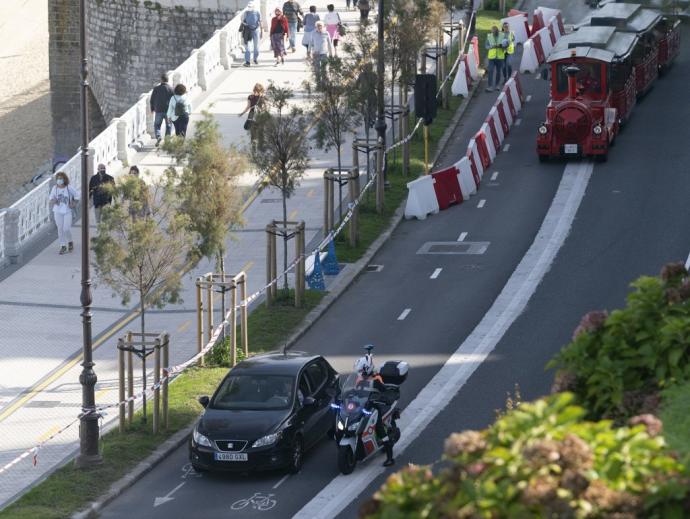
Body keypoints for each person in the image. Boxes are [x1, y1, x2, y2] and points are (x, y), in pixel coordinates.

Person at [353, 347, 394, 467]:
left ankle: (390, 458)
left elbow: (384, 391)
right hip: (363, 407)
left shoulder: (376, 380)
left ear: (366, 370)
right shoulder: (360, 380)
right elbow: (356, 391)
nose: (359, 373)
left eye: (361, 371)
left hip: (375, 408)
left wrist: (380, 397)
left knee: (380, 430)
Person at [49, 171, 80, 255]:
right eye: (58, 179)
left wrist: (74, 203)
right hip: (57, 211)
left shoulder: (68, 188)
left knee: (66, 228)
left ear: (64, 179)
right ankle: (63, 245)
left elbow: (77, 195)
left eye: (61, 179)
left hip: (67, 211)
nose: (59, 180)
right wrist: (54, 201)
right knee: (60, 228)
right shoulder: (54, 188)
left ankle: (70, 241)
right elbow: (51, 198)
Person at [150, 74, 174, 146]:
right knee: (169, 125)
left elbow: (152, 99)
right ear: (167, 80)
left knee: (157, 125)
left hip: (159, 110)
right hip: (168, 111)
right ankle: (167, 141)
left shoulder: (156, 88)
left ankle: (158, 136)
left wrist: (152, 109)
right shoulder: (171, 89)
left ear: (161, 80)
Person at [308, 21, 334, 88]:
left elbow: (330, 44)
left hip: (324, 54)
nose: (319, 28)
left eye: (320, 26)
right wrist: (309, 52)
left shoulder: (326, 33)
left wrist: (331, 54)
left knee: (324, 70)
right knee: (317, 70)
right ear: (316, 27)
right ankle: (318, 84)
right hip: (316, 54)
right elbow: (310, 43)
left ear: (323, 27)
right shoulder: (313, 33)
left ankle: (325, 84)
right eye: (318, 26)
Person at [485, 25, 505, 92]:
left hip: (500, 57)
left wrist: (501, 46)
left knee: (498, 72)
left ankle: (497, 85)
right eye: (492, 32)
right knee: (490, 71)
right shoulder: (489, 36)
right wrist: (491, 47)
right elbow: (486, 46)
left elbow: (506, 45)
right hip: (492, 57)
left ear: (497, 31)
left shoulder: (502, 36)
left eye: (495, 32)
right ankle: (490, 86)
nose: (493, 33)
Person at [242, 1, 262, 66]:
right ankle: (247, 61)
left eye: (250, 6)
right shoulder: (246, 13)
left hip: (256, 31)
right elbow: (242, 20)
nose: (249, 8)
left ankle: (255, 59)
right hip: (248, 31)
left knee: (256, 46)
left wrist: (262, 31)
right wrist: (246, 24)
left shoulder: (257, 12)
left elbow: (260, 21)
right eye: (248, 6)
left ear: (253, 6)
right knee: (247, 47)